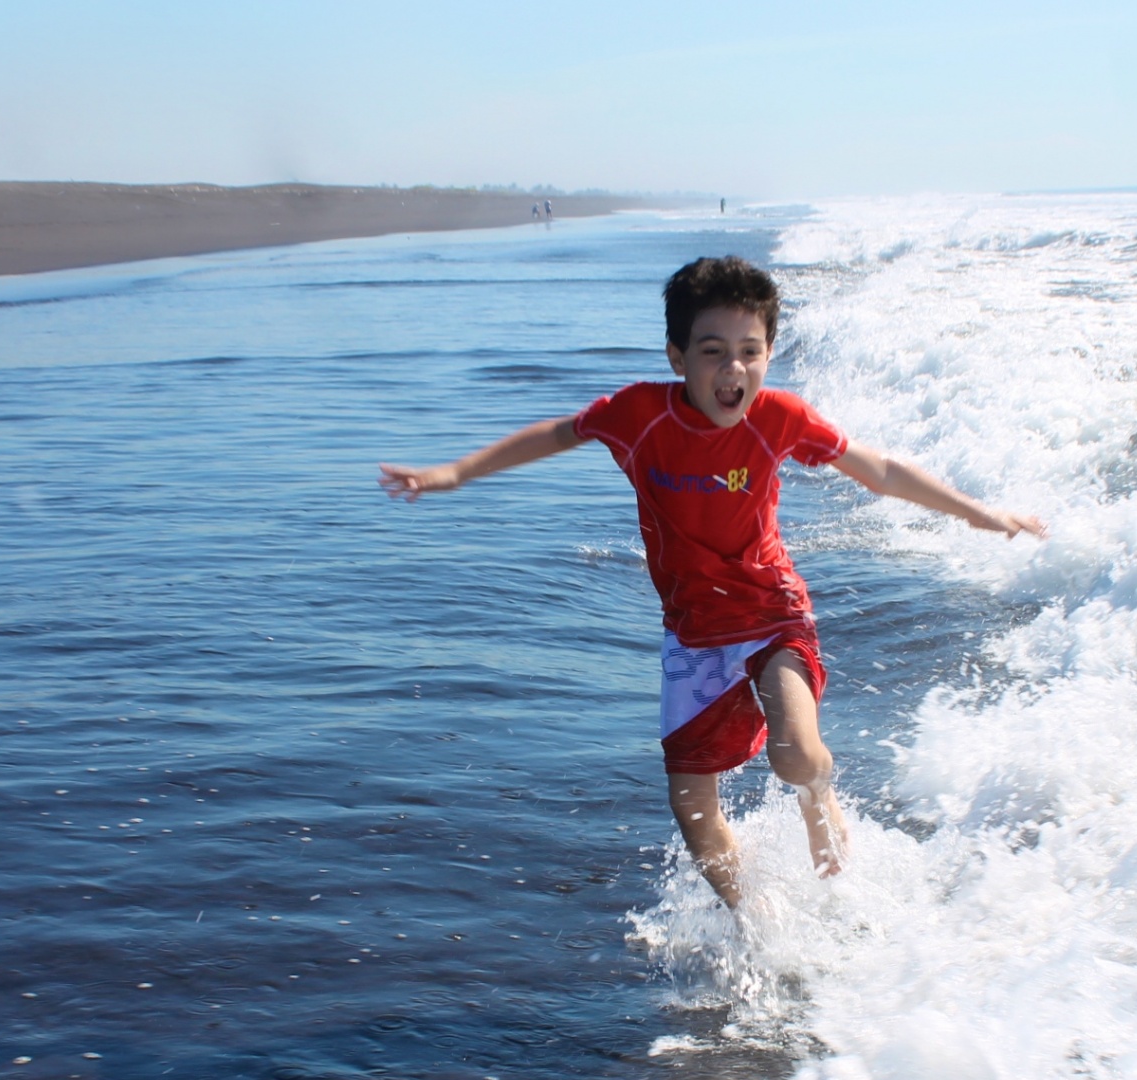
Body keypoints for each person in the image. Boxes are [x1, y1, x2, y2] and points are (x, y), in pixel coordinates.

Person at [378, 257, 1046, 907]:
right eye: (712, 351)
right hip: (694, 633)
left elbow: (881, 468)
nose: (734, 370)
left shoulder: (779, 417)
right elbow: (556, 435)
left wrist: (978, 512)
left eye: (750, 352)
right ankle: (755, 921)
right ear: (677, 357)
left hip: (772, 613)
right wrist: (454, 473)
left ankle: (820, 799)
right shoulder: (640, 416)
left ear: (770, 352)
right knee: (690, 802)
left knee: (793, 752)